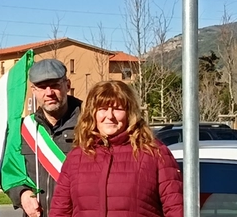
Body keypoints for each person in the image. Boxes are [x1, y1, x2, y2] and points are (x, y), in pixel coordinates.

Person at [49, 80, 182, 217]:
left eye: (118, 109)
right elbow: (60, 212)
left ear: (130, 113)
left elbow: (176, 209)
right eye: (102, 109)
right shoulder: (76, 157)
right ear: (92, 113)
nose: (110, 116)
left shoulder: (155, 153)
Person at [7, 58, 82, 217]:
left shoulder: (90, 124)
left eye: (55, 85)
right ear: (33, 90)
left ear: (67, 85)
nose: (48, 93)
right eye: (42, 87)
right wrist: (22, 194)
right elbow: (10, 170)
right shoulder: (24, 129)